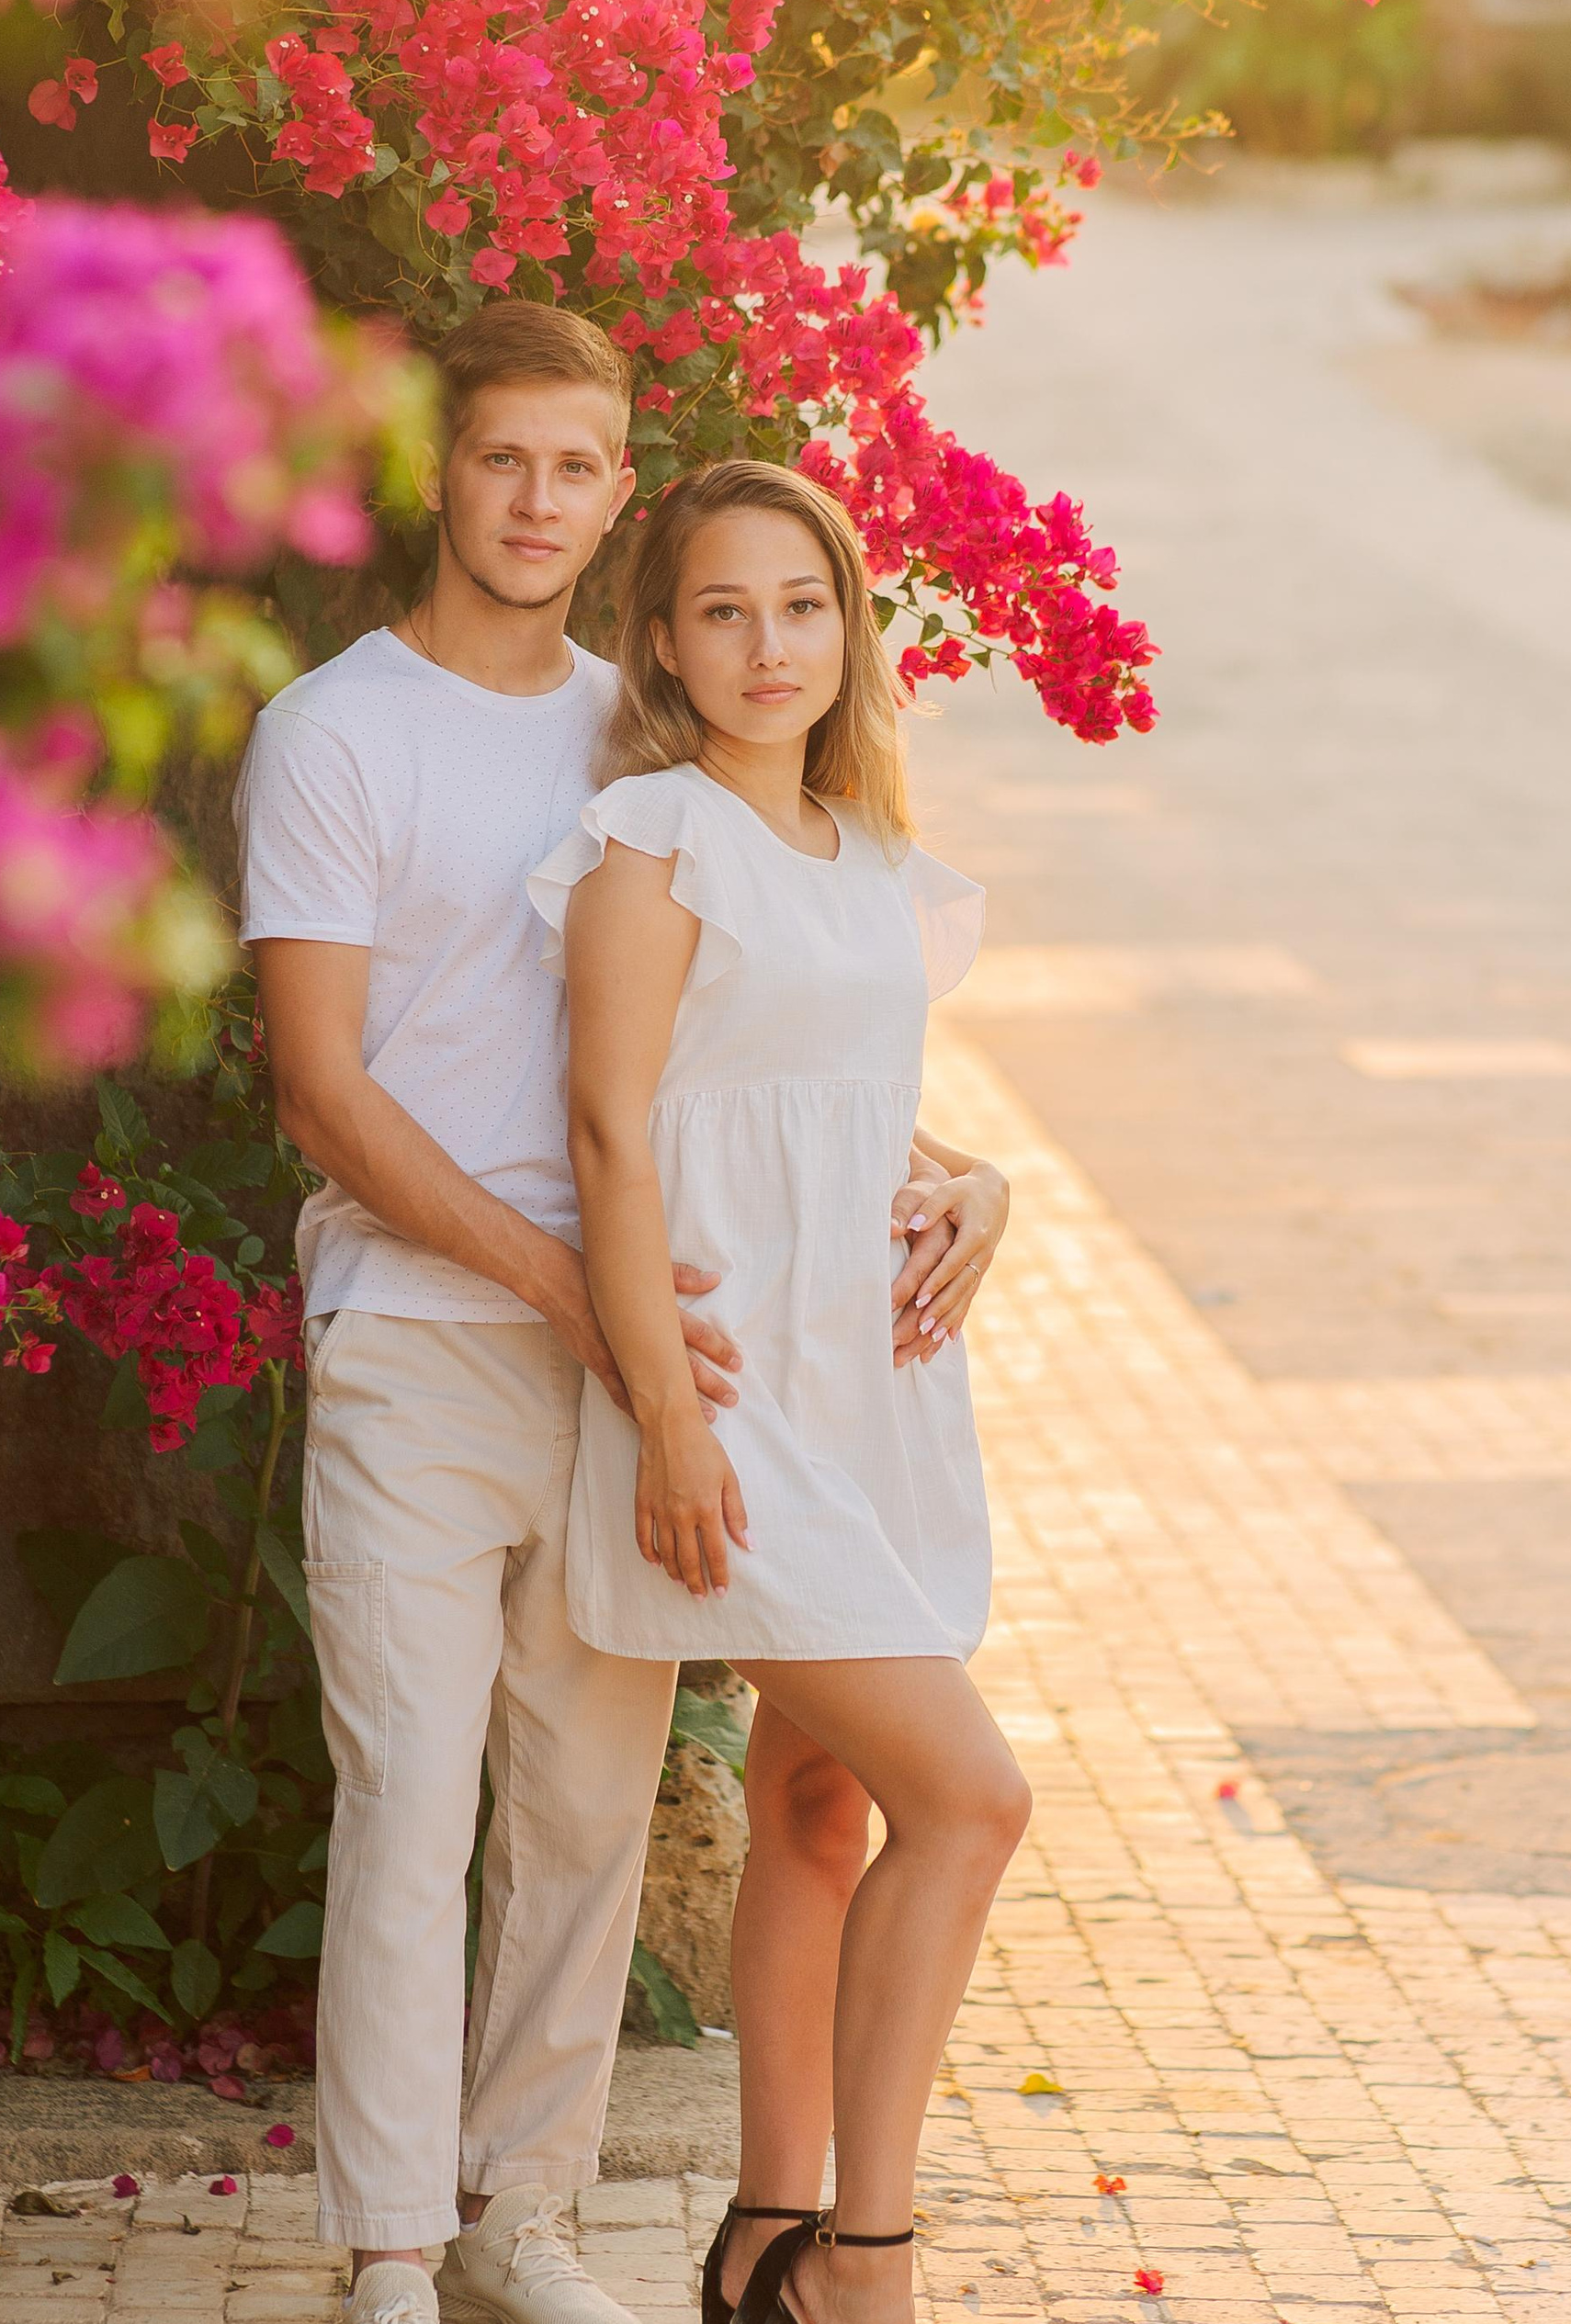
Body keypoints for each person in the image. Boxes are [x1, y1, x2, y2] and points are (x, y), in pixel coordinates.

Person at [237, 308, 977, 2324]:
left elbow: (778, 1037)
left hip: (642, 1356)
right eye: (503, 463)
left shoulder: (643, 737)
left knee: (579, 1809)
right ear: (438, 473)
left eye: (577, 470)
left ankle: (521, 2216)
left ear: (613, 496)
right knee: (408, 1795)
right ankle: (389, 2238)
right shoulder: (333, 731)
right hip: (427, 1325)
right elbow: (319, 1088)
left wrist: (955, 1176)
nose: (540, 502)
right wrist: (584, 1294)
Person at [527, 459, 1027, 2324]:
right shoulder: (650, 837)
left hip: (873, 1401)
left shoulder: (870, 857)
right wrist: (662, 1415)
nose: (765, 643)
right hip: (729, 1408)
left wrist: (981, 1178)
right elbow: (610, 1130)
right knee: (970, 1800)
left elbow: (838, 1110)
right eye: (723, 609)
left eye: (799, 606)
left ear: (847, 631)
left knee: (823, 1811)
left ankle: (760, 2229)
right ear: (660, 639)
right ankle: (864, 2263)